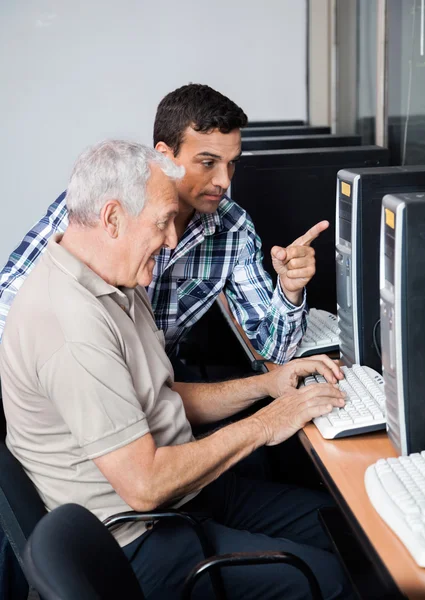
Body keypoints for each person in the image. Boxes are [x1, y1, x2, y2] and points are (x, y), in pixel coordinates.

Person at [0, 141, 355, 600]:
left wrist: (266, 385)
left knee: (340, 525)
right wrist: (267, 423)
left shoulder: (113, 277)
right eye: (163, 221)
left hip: (183, 492)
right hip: (140, 537)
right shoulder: (69, 324)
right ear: (112, 219)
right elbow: (145, 485)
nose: (172, 240)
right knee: (331, 579)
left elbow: (161, 399)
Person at [0, 84, 328, 366]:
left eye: (232, 164)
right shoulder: (100, 201)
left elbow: (274, 351)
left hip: (160, 388)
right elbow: (7, 309)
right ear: (165, 155)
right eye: (208, 163)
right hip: (86, 376)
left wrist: (290, 289)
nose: (223, 180)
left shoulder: (234, 229)